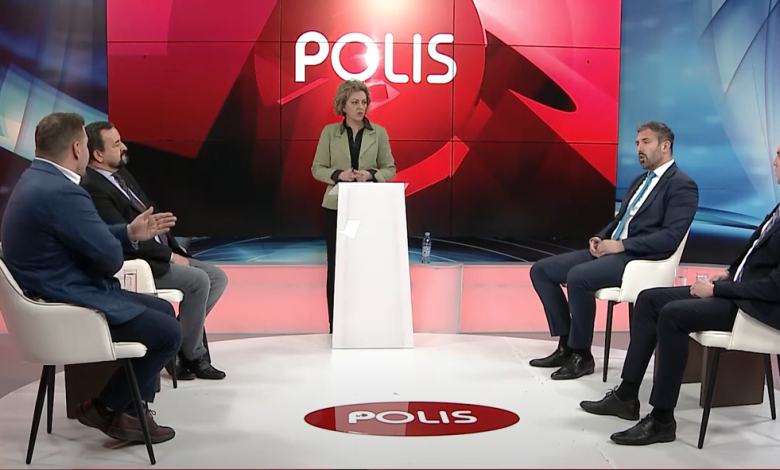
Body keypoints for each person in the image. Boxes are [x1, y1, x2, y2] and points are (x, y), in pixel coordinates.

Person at [579, 143, 780, 445]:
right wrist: (729, 273)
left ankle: (662, 419)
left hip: (758, 307)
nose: (774, 161)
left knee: (673, 315)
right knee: (649, 299)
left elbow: (775, 287)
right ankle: (626, 395)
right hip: (739, 293)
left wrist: (718, 289)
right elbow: (755, 254)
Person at [0, 112, 180, 443]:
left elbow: (84, 237)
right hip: (67, 303)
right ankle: (106, 408)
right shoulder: (63, 193)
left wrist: (129, 233)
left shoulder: (35, 179)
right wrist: (116, 245)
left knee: (165, 310)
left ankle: (129, 412)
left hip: (55, 294)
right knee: (169, 333)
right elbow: (110, 259)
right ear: (78, 148)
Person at [529, 122, 699, 380]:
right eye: (637, 143)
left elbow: (670, 238)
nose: (639, 148)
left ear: (665, 146)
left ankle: (582, 355)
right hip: (613, 250)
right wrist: (601, 237)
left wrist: (621, 246)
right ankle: (566, 344)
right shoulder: (640, 181)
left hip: (639, 258)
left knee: (578, 277)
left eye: (646, 142)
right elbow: (622, 219)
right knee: (541, 271)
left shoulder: (682, 185)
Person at [81, 121, 227, 381]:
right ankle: (194, 354)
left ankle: (180, 344)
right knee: (198, 281)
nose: (124, 147)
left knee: (218, 277)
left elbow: (149, 212)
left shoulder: (121, 174)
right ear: (98, 154)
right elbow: (126, 235)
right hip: (138, 262)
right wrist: (170, 256)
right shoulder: (94, 188)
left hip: (159, 252)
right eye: (116, 144)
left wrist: (172, 246)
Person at [311, 79, 397, 333]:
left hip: (367, 208)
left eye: (364, 102)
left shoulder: (379, 133)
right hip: (336, 207)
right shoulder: (329, 133)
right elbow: (317, 168)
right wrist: (339, 175)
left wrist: (371, 175)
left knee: (365, 265)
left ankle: (364, 323)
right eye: (355, 102)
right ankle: (336, 326)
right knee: (337, 265)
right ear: (343, 105)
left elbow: (390, 168)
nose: (361, 107)